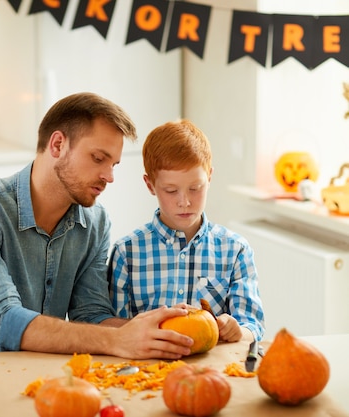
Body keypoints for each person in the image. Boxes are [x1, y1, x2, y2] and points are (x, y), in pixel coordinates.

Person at [0, 92, 194, 359]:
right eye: (98, 158)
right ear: (57, 145)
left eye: (113, 164)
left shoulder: (95, 223)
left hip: (38, 379)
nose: (109, 176)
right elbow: (2, 320)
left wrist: (166, 335)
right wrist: (117, 339)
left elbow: (92, 315)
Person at [108, 119, 265, 342]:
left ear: (209, 177)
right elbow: (116, 330)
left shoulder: (235, 250)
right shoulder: (127, 253)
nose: (185, 202)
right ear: (150, 185)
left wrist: (239, 331)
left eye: (195, 188)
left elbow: (253, 325)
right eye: (171, 190)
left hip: (212, 369)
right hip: (149, 370)